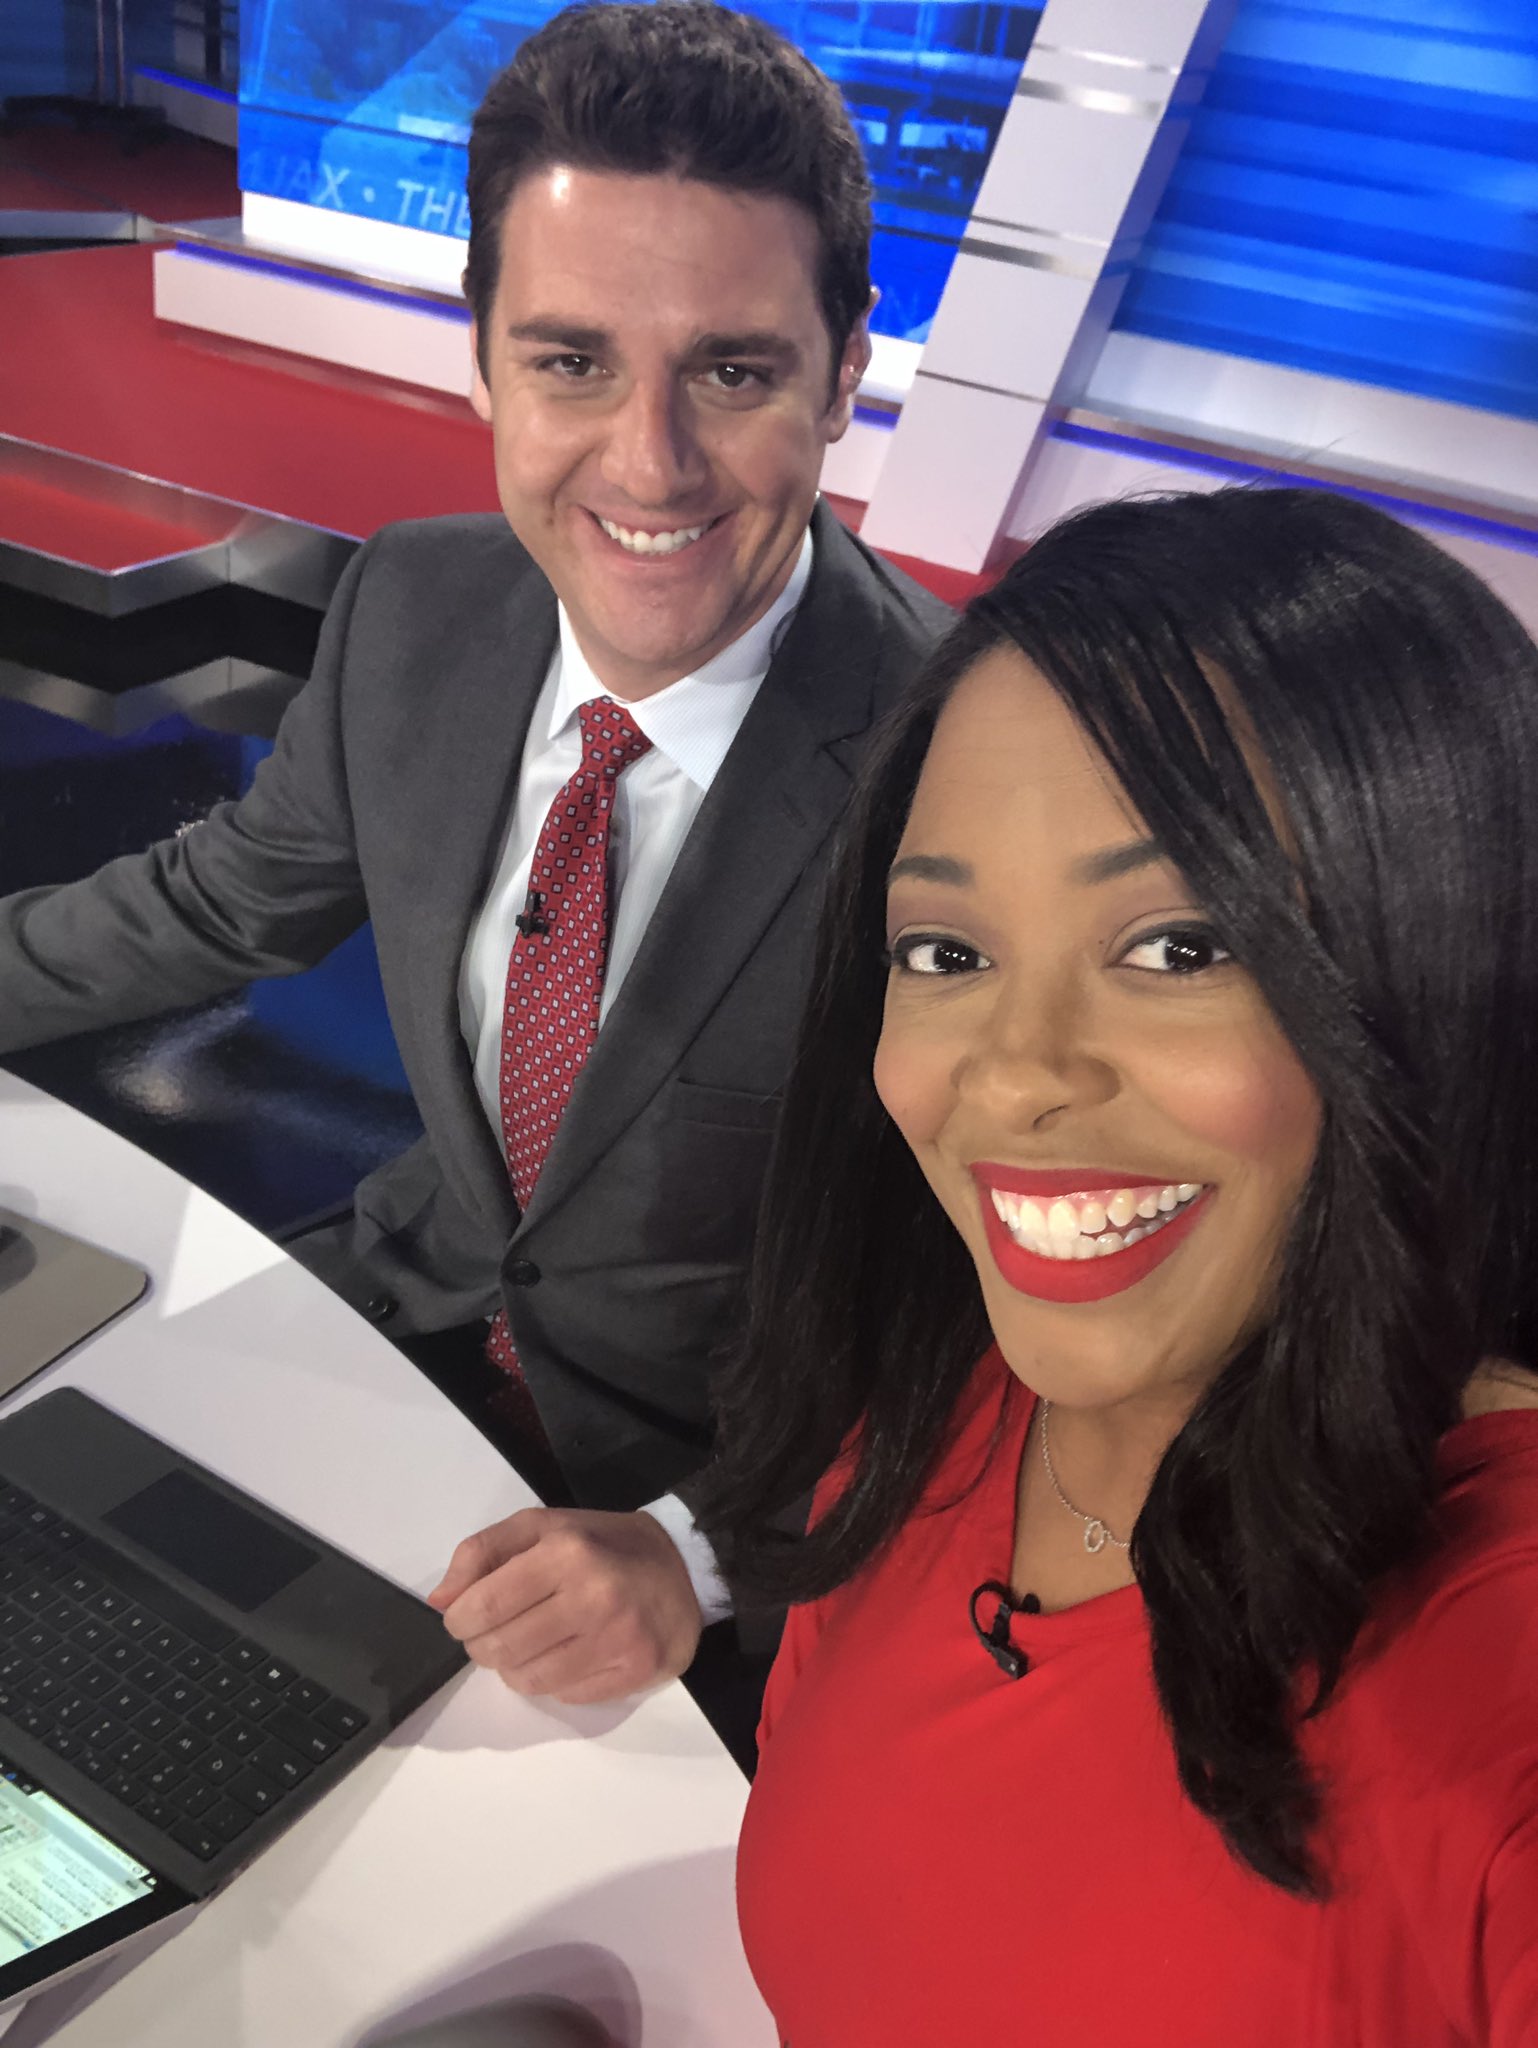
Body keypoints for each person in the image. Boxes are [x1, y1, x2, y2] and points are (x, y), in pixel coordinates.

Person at [0, 3, 949, 1709]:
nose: (648, 462)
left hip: (724, 1507)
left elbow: (1017, 1300)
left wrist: (704, 1549)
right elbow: (225, 898)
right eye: (571, 361)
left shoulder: (975, 769)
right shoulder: (417, 601)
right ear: (485, 361)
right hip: (401, 1313)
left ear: (843, 375)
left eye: (732, 372)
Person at [697, 486, 1538, 2042]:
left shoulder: (1492, 1684)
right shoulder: (935, 1413)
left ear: (1437, 978)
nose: (1014, 1073)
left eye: (1178, 948)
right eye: (946, 953)